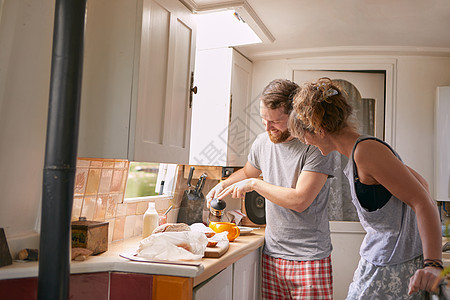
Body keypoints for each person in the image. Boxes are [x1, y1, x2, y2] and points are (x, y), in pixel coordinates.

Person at [288, 77, 443, 299]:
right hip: (384, 260)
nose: (304, 142)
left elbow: (423, 200)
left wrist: (433, 263)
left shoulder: (366, 151)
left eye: (304, 135)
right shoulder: (362, 150)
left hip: (392, 265)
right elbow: (422, 186)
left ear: (320, 130)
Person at [206, 79, 337, 299]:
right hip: (272, 254)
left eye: (276, 121)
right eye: (264, 120)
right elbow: (248, 172)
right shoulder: (261, 142)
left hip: (310, 258)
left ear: (296, 115)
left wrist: (255, 184)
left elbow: (300, 200)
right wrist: (224, 184)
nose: (267, 128)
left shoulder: (316, 146)